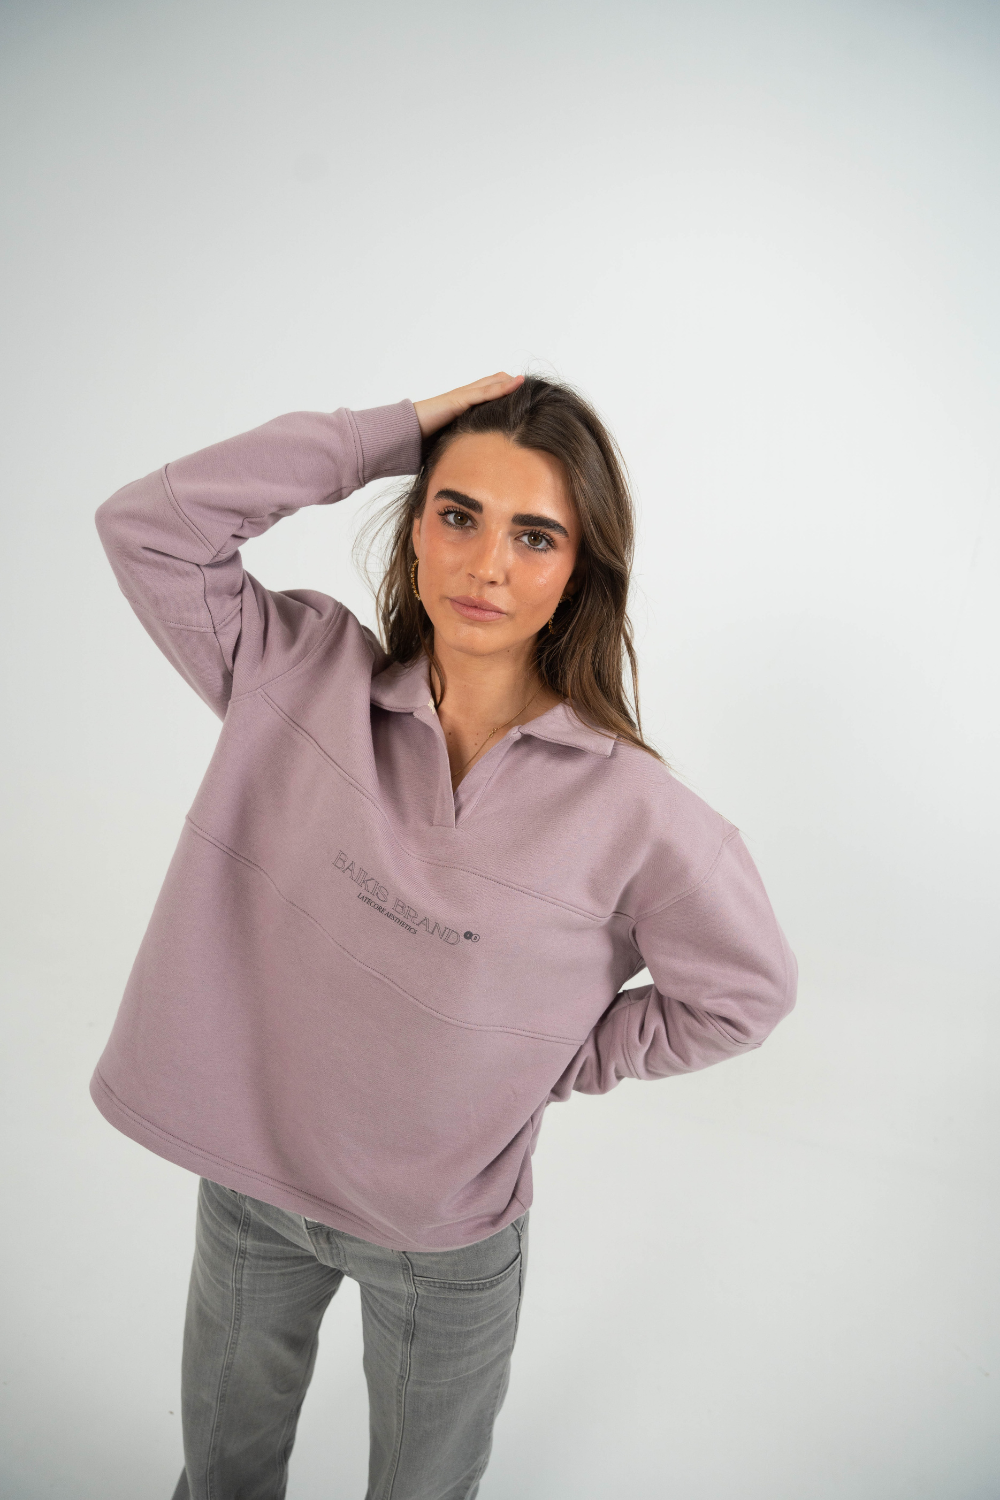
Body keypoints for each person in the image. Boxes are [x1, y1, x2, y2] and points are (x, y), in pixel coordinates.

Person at [91, 371, 797, 1500]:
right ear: (414, 525)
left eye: (535, 536)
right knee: (219, 1479)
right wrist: (392, 434)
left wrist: (555, 1059)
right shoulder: (298, 675)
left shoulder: (645, 817)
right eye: (458, 514)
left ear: (579, 571)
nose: (487, 565)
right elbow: (150, 527)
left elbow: (743, 995)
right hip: (253, 1189)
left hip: (446, 1239)